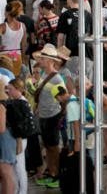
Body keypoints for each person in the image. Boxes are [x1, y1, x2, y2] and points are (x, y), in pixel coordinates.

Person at [31, 44, 67, 189]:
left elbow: (63, 98)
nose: (42, 60)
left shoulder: (56, 78)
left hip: (52, 116)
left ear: (51, 61)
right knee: (49, 146)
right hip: (46, 116)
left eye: (44, 58)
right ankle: (52, 172)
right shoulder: (46, 75)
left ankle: (55, 174)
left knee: (53, 147)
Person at [0, 77, 16, 194]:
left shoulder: (1, 105)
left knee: (6, 172)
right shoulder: (6, 103)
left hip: (5, 139)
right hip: (6, 139)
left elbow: (1, 127)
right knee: (5, 172)